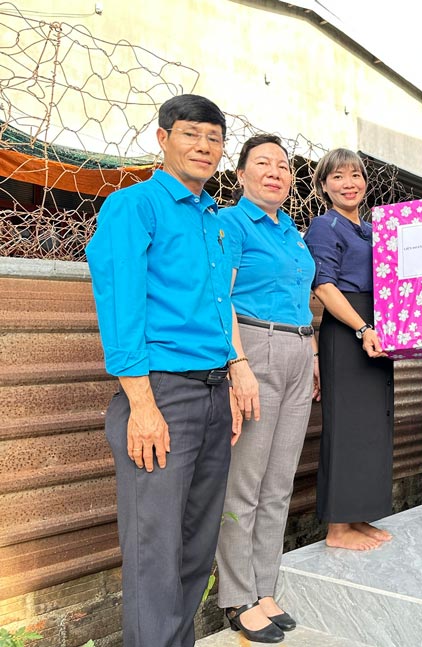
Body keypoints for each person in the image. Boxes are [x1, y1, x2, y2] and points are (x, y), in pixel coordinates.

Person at [86, 94, 241, 646]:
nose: (204, 147)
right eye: (191, 134)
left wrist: (234, 373)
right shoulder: (135, 206)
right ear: (162, 138)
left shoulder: (213, 220)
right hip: (161, 397)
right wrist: (143, 406)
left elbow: (218, 306)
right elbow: (121, 307)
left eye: (214, 138)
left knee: (196, 547)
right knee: (155, 553)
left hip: (212, 394)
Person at [215, 134, 319, 642]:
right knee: (246, 482)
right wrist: (237, 363)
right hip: (255, 347)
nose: (276, 171)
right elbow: (221, 296)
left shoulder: (292, 233)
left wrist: (314, 354)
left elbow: (301, 298)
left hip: (300, 350)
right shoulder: (229, 224)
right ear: (241, 174)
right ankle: (236, 597)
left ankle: (264, 587)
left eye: (283, 165)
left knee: (279, 483)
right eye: (263, 163)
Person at [304, 148, 394, 551]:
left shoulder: (374, 229)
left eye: (355, 175)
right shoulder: (324, 227)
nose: (349, 183)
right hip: (348, 327)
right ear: (324, 185)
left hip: (376, 325)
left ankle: (357, 516)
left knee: (371, 426)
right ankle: (337, 529)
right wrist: (362, 328)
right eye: (338, 176)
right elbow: (323, 286)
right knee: (345, 428)